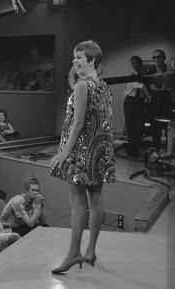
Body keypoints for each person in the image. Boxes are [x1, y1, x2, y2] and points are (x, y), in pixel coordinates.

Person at [50, 40, 115, 274]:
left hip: (82, 151)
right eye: (73, 58)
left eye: (79, 57)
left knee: (77, 202)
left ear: (92, 60)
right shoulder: (102, 85)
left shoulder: (82, 86)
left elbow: (77, 122)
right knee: (95, 199)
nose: (74, 61)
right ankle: (90, 251)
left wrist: (64, 153)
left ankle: (73, 253)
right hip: (99, 149)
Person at [123, 55, 147, 157]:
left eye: (137, 63)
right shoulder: (130, 75)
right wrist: (144, 84)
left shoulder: (144, 75)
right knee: (130, 127)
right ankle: (132, 149)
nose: (135, 65)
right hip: (130, 101)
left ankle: (134, 146)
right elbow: (135, 85)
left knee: (139, 127)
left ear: (140, 63)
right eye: (133, 63)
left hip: (140, 102)